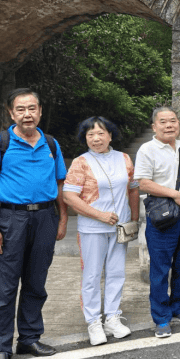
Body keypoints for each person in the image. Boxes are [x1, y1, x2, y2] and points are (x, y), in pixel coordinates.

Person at [0, 88, 68, 359]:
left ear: (40, 111)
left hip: (45, 218)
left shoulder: (51, 143)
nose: (27, 114)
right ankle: (0, 350)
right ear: (11, 113)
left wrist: (62, 220)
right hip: (10, 219)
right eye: (20, 109)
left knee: (36, 282)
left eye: (32, 108)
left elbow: (60, 185)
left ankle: (29, 338)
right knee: (4, 288)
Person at [62, 117, 140, 346]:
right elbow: (69, 196)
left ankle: (112, 318)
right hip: (92, 228)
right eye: (90, 135)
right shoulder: (81, 162)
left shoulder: (124, 158)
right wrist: (100, 215)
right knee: (92, 275)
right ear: (85, 138)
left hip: (120, 228)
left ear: (110, 135)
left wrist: (134, 219)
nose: (96, 139)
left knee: (116, 272)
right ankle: (94, 321)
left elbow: (133, 189)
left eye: (101, 133)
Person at [134, 107, 180, 338]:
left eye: (173, 120)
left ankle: (179, 307)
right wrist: (175, 194)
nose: (169, 125)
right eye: (163, 121)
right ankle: (161, 317)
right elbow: (143, 183)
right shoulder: (147, 149)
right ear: (154, 126)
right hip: (163, 214)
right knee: (160, 267)